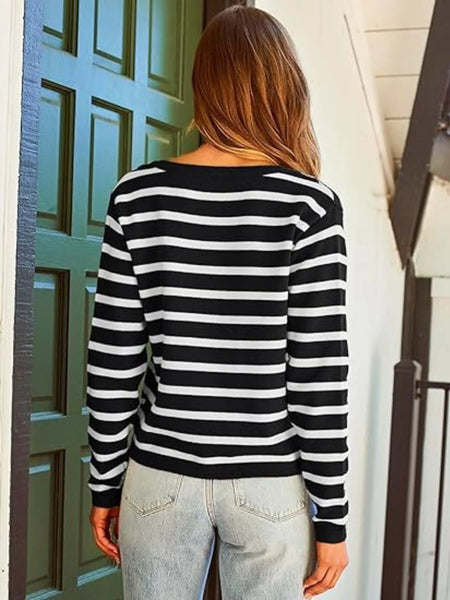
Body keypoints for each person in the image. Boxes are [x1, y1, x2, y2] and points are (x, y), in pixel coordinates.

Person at [87, 5, 350, 599]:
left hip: (159, 474)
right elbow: (319, 376)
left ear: (203, 86)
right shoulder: (310, 206)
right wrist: (332, 516)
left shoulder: (137, 195)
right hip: (269, 484)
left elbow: (113, 361)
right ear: (285, 86)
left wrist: (105, 483)